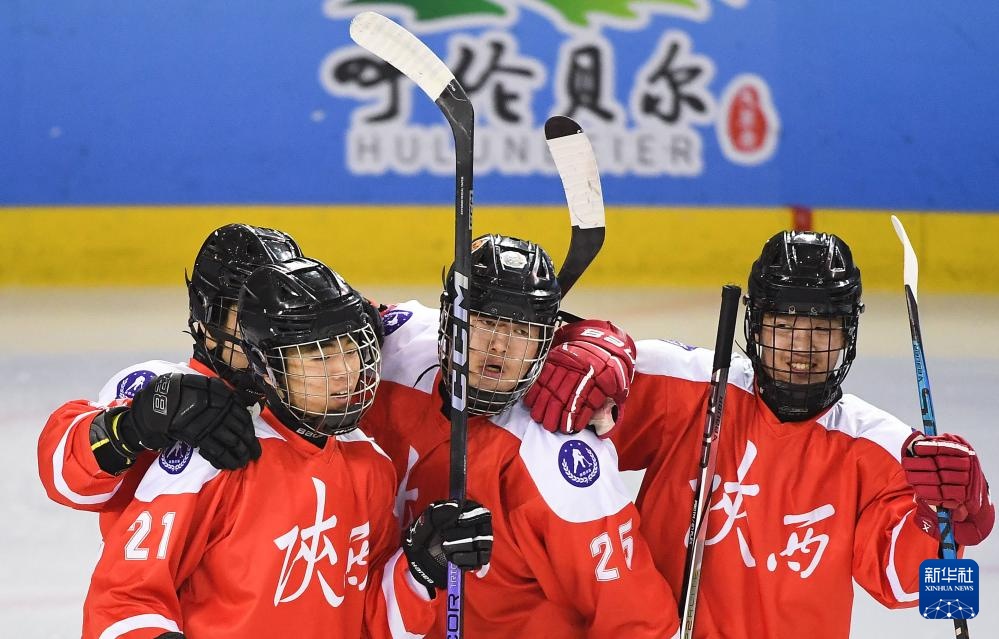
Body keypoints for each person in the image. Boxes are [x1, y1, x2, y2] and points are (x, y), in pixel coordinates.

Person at [523, 230, 995, 638]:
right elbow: (572, 391)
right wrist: (590, 348)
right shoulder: (691, 387)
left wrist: (943, 521)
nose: (801, 348)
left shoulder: (882, 450)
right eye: (784, 325)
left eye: (822, 328)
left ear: (848, 334)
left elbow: (904, 584)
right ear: (755, 324)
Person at [81, 257, 493, 639]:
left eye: (352, 350)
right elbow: (123, 598)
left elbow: (369, 623)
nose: (344, 372)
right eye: (317, 356)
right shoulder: (213, 457)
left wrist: (419, 571)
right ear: (267, 366)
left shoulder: (371, 466)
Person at [364, 234, 681, 638]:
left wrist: (608, 340)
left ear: (547, 342)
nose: (500, 346)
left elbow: (639, 623)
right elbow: (316, 323)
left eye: (522, 330)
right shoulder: (395, 352)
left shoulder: (556, 459)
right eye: (485, 322)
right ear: (449, 319)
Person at [38, 223, 302, 512]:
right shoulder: (157, 383)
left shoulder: (317, 392)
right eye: (250, 316)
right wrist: (132, 426)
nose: (270, 332)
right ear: (208, 317)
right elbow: (66, 481)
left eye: (285, 316)